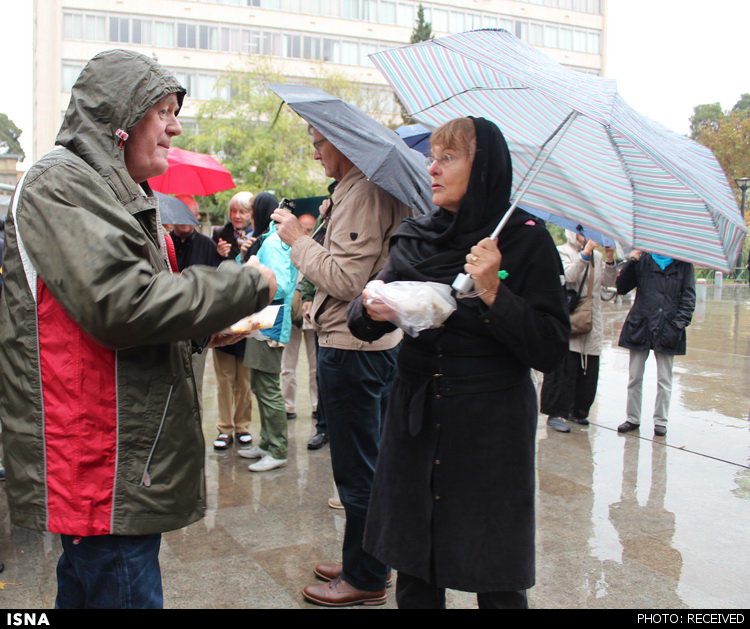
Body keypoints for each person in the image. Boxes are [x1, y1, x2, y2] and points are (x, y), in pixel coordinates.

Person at [0, 49, 277, 609]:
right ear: (120, 118)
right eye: (164, 111)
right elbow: (124, 305)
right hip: (99, 461)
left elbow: (123, 312)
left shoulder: (114, 191)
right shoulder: (63, 183)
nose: (175, 127)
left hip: (115, 458)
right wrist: (246, 284)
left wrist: (202, 331)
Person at [346, 117, 569, 609]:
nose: (433, 168)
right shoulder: (417, 236)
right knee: (416, 565)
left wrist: (493, 290)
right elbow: (362, 317)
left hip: (490, 428)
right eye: (433, 156)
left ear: (483, 167)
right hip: (416, 418)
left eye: (449, 157)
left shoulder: (527, 242)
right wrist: (372, 307)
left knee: (496, 571)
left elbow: (550, 350)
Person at [272, 129, 411, 607]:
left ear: (347, 145)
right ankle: (365, 560)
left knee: (358, 469)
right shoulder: (355, 190)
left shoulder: (365, 192)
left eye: (320, 141)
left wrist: (298, 240)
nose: (314, 150)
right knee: (364, 463)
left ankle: (367, 575)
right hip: (361, 344)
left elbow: (347, 278)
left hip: (354, 348)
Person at [238, 192, 297, 472]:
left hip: (269, 321)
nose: (249, 217)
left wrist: (257, 283)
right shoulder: (266, 240)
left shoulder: (273, 242)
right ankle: (267, 443)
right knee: (260, 386)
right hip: (261, 321)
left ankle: (278, 449)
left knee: (268, 387)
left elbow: (282, 285)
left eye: (251, 211)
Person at [541, 230, 616, 432]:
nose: (588, 235)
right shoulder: (562, 251)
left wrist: (609, 259)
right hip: (570, 315)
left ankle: (579, 411)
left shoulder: (598, 257)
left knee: (589, 369)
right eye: (583, 231)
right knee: (564, 367)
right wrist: (585, 254)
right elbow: (568, 277)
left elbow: (610, 284)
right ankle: (555, 413)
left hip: (591, 319)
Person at [615, 250, 695, 437]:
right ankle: (632, 418)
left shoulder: (683, 264)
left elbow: (689, 297)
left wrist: (678, 324)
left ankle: (661, 421)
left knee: (664, 379)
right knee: (634, 376)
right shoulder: (642, 260)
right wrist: (632, 260)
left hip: (669, 326)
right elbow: (621, 287)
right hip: (641, 324)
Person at [210, 191, 256, 450]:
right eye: (234, 212)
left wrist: (247, 255)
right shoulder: (219, 236)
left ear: (251, 214)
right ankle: (224, 428)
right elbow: (211, 276)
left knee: (244, 378)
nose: (237, 217)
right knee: (224, 377)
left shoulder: (260, 238)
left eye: (243, 212)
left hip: (248, 314)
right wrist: (220, 256)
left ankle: (243, 426)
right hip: (224, 315)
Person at [170, 194, 222, 409]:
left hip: (198, 326)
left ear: (197, 217)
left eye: (188, 214)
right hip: (168, 324)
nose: (183, 219)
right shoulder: (162, 242)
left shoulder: (208, 246)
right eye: (179, 213)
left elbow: (216, 285)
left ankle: (195, 436)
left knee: (194, 386)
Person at [281, 212, 319, 423]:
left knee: (315, 364)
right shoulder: (288, 250)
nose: (306, 233)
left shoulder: (318, 251)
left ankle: (316, 404)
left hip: (312, 314)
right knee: (288, 364)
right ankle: (288, 405)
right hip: (291, 313)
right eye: (302, 228)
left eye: (310, 228)